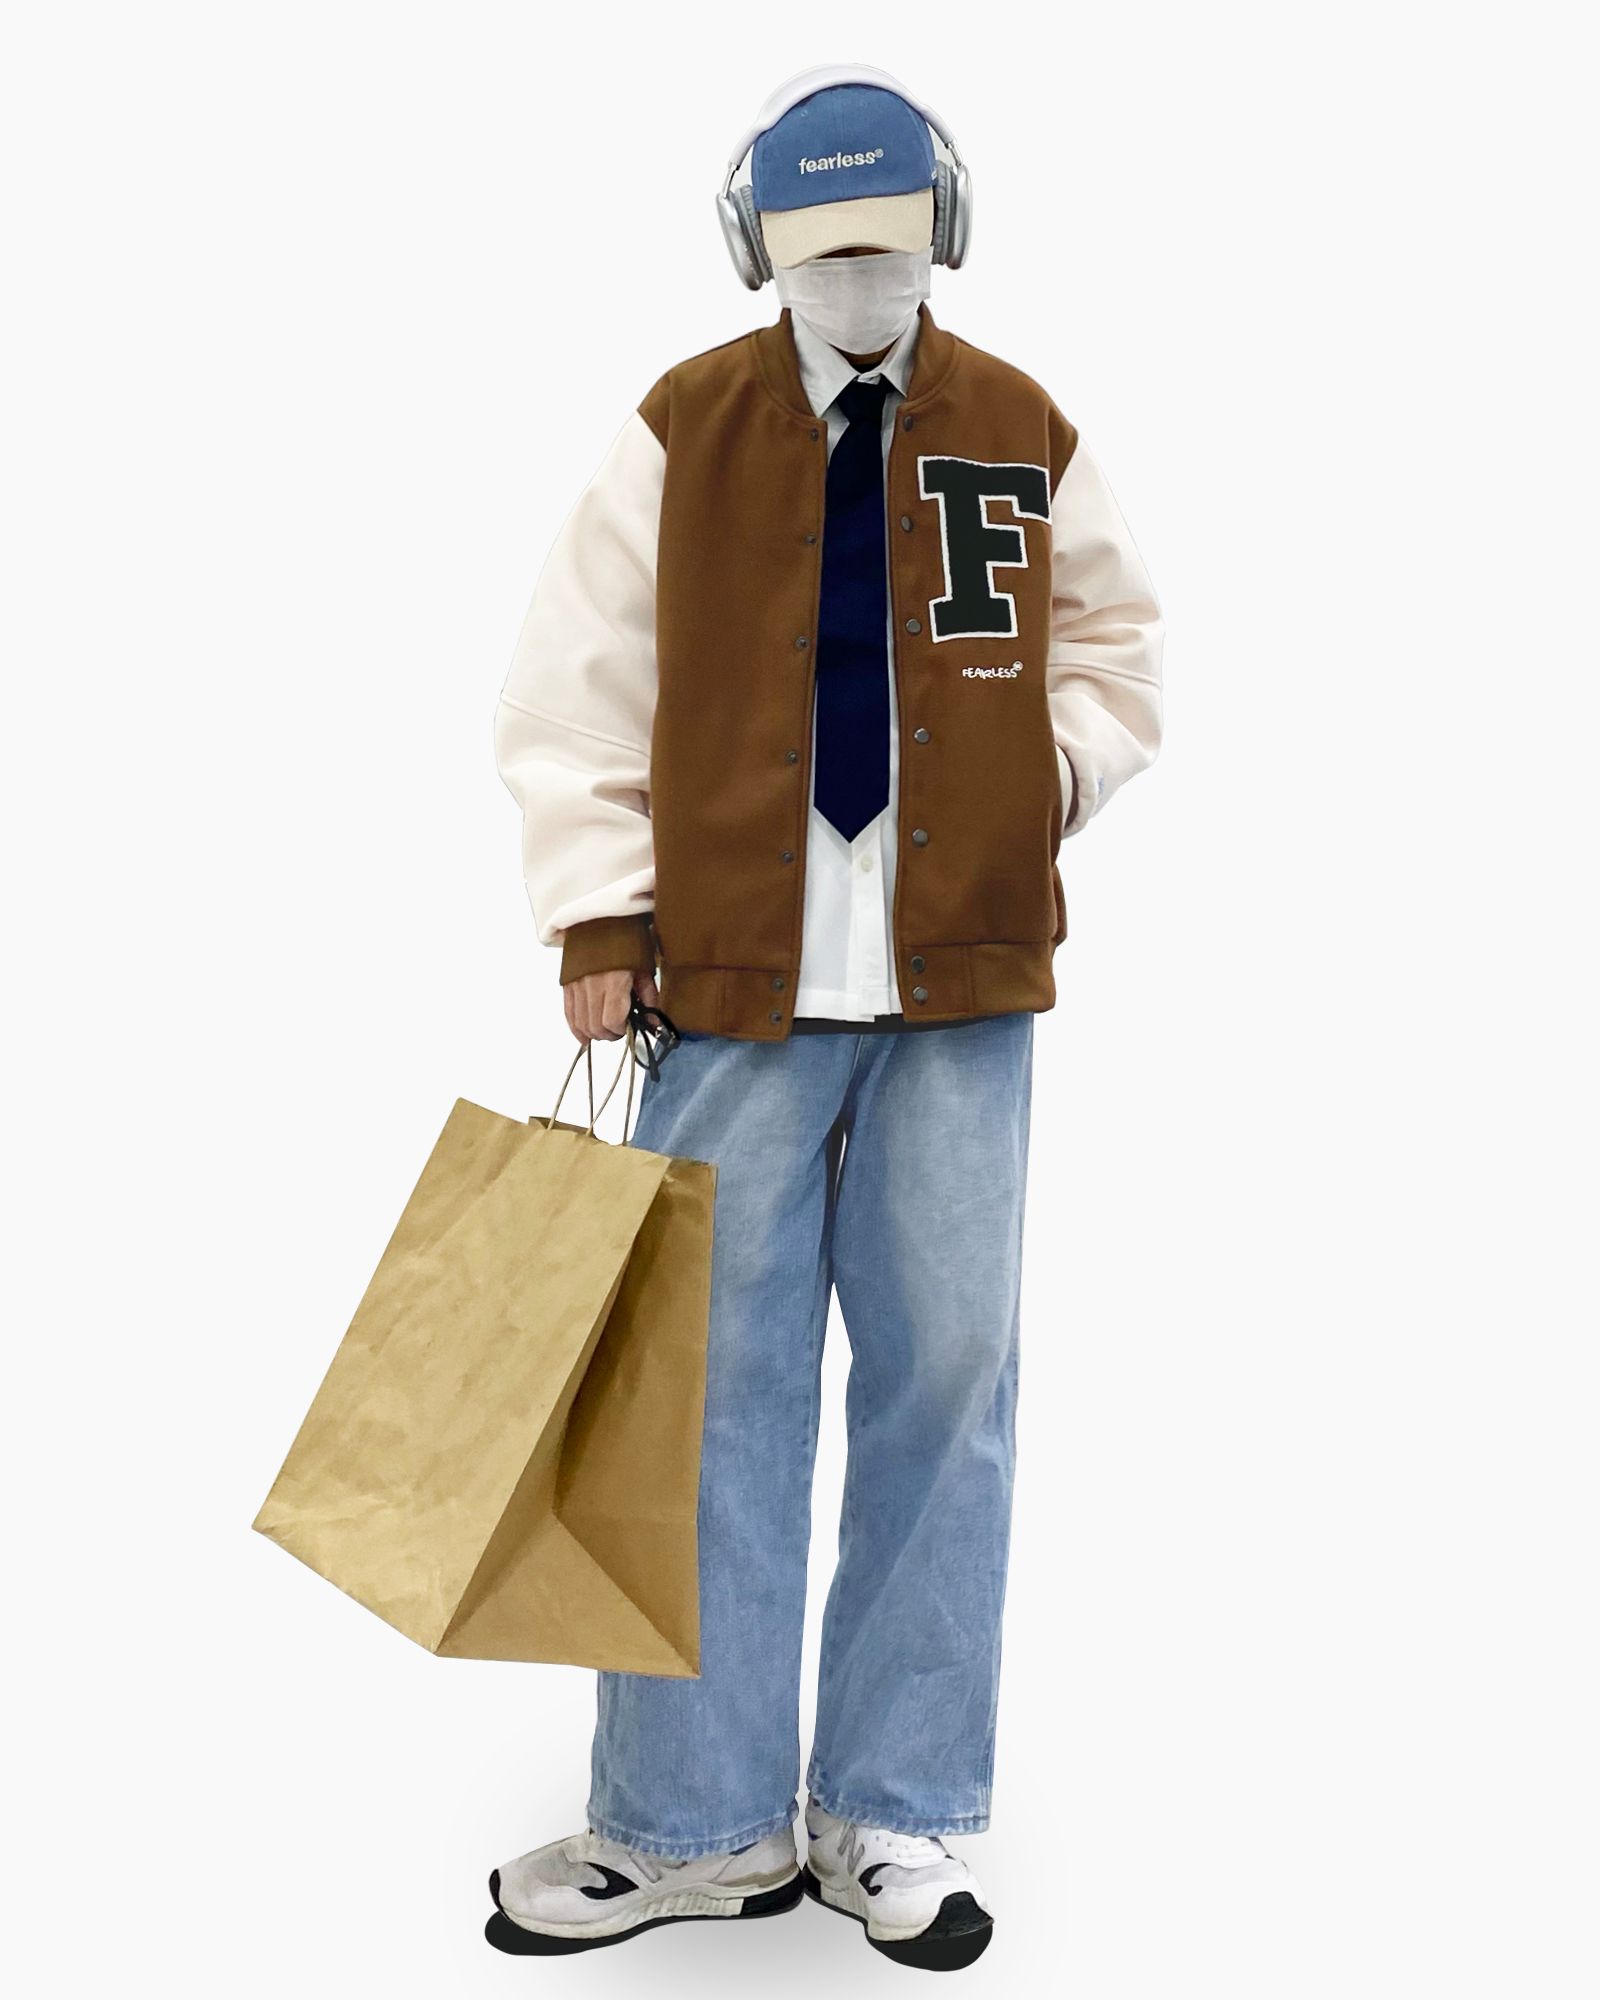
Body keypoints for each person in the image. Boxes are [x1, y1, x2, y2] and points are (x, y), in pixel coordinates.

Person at [489, 63, 1163, 1971]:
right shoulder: (680, 433)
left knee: (951, 1387)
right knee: (704, 1396)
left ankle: (894, 1807)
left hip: (959, 988)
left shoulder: (1018, 426)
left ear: (940, 237)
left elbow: (1117, 645)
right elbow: (574, 685)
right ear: (757, 249)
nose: (857, 283)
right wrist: (598, 908)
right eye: (822, 252)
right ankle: (689, 1822)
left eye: (884, 247)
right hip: (729, 990)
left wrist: (1048, 786)